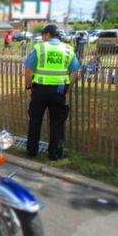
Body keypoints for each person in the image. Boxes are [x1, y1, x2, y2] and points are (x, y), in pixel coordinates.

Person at [24, 25, 80, 161]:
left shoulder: (40, 48)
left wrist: (28, 86)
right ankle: (54, 154)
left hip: (40, 90)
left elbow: (28, 69)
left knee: (35, 120)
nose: (43, 38)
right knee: (57, 123)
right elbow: (74, 73)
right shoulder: (68, 50)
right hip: (59, 91)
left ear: (47, 35)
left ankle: (32, 151)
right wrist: (67, 90)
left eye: (43, 35)